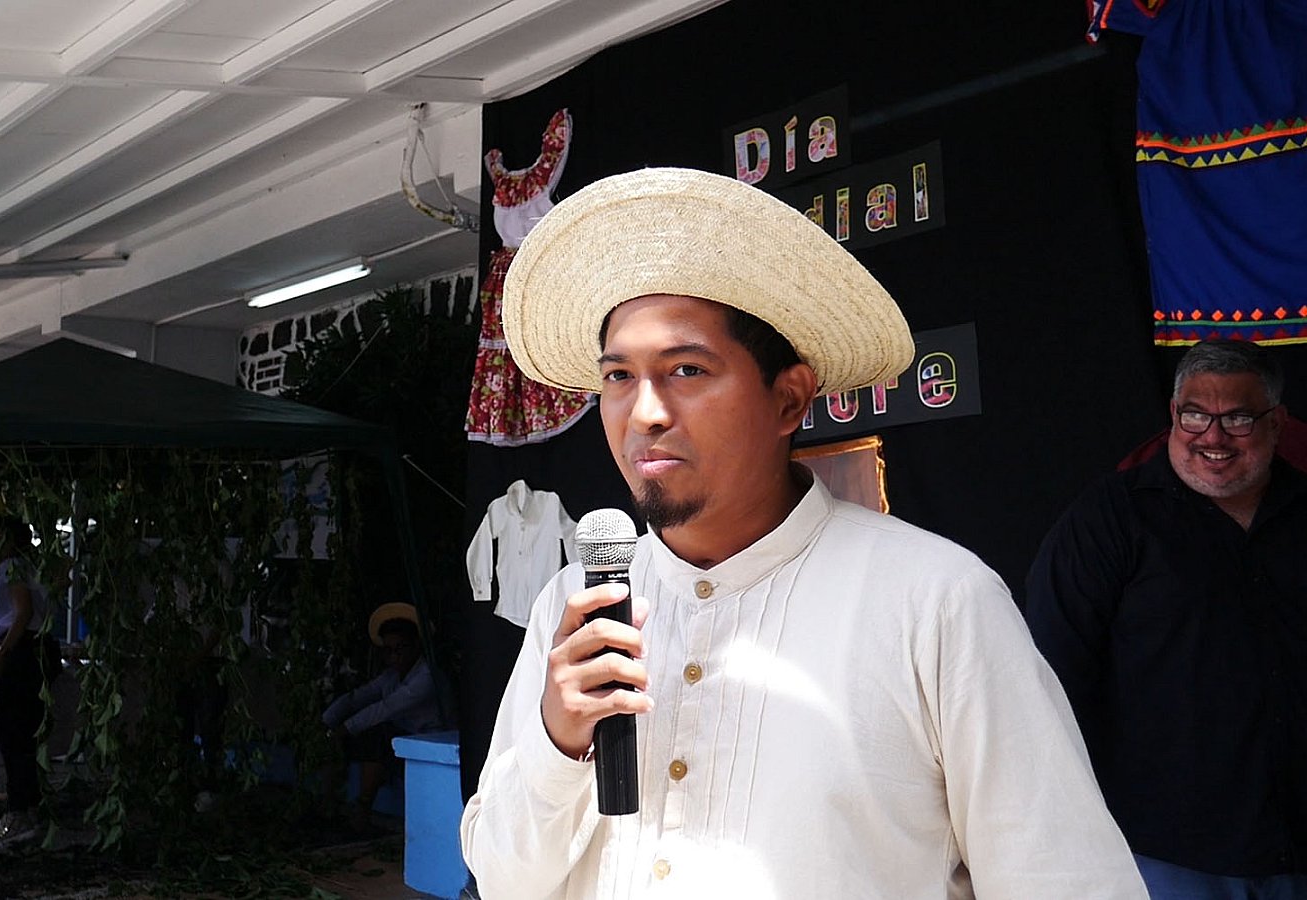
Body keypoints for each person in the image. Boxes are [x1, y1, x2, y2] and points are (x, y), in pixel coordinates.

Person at [459, 168, 1147, 899]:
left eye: (686, 369)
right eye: (619, 377)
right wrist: (558, 741)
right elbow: (502, 880)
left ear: (789, 399)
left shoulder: (936, 602)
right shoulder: (574, 605)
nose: (645, 412)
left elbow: (1066, 881)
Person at [1026, 339, 1307, 899]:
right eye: (1196, 415)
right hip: (1168, 849)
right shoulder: (1108, 519)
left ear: (1277, 423)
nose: (1213, 437)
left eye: (1239, 419)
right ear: (1174, 415)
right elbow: (1049, 670)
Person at [321, 602, 444, 824]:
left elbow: (386, 708)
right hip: (398, 740)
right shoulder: (391, 676)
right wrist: (326, 721)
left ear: (416, 645)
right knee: (361, 738)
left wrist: (344, 729)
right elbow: (358, 697)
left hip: (426, 739)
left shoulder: (426, 676)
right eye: (388, 651)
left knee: (377, 735)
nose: (394, 656)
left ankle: (363, 807)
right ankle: (328, 802)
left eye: (400, 648)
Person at [0, 518, 54, 853]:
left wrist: (1, 653)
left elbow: (22, 613)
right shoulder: (28, 567)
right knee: (23, 732)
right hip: (33, 649)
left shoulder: (13, 569)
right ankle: (29, 808)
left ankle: (19, 814)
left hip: (23, 652)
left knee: (12, 733)